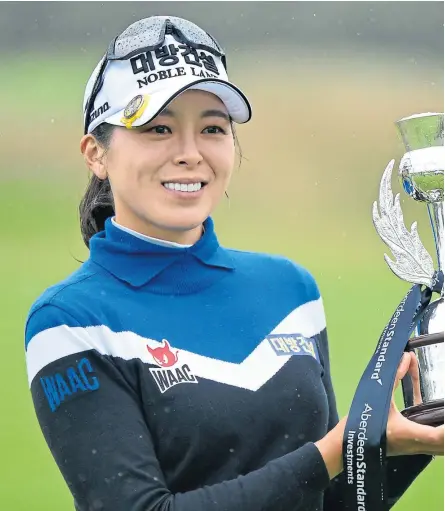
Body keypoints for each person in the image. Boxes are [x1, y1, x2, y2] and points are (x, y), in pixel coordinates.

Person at [24, 15, 443, 511]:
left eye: (212, 128)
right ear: (96, 153)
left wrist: (401, 444)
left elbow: (328, 503)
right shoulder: (68, 320)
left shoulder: (290, 289)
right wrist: (332, 452)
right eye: (159, 128)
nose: (190, 153)